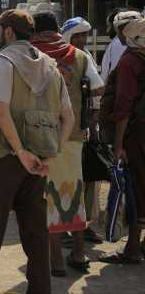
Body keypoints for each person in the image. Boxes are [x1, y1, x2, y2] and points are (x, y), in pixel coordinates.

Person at [0, 9, 74, 294]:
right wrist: (51, 155)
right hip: (37, 163)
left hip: (4, 159)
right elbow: (69, 118)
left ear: (9, 32)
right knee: (35, 233)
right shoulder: (50, 65)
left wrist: (21, 152)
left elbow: (0, 110)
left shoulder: (4, 61)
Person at [31, 12, 104, 276]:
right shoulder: (79, 56)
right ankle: (78, 252)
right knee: (72, 192)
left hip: (36, 138)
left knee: (44, 197)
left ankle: (55, 261)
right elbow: (97, 88)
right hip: (71, 135)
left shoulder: (28, 54)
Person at [100, 18, 145, 265]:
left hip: (135, 135)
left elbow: (124, 106)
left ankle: (132, 248)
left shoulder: (130, 62)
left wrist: (118, 144)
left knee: (137, 189)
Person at [61, 16, 106, 245]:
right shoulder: (73, 56)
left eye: (84, 35)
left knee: (86, 178)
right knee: (73, 179)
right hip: (75, 128)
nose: (83, 39)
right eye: (78, 35)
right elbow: (99, 89)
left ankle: (80, 226)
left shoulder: (81, 56)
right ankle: (67, 228)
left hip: (82, 126)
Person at [101, 11, 141, 82]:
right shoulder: (135, 44)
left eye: (110, 26)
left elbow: (109, 74)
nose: (108, 31)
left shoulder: (117, 44)